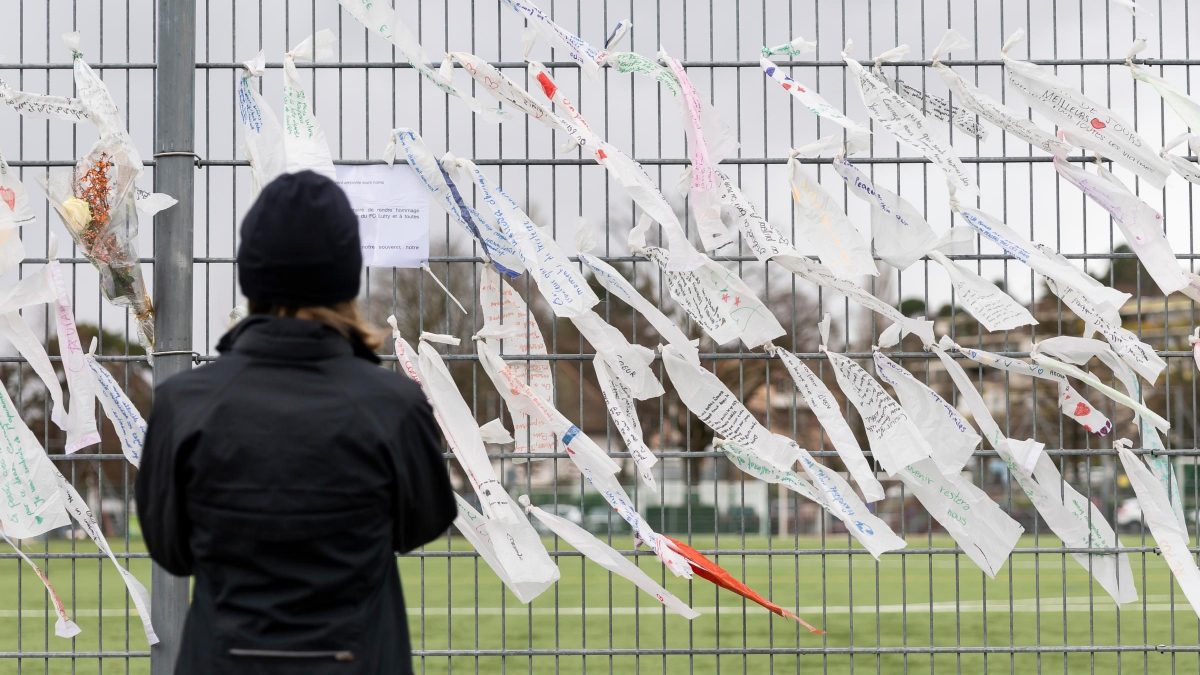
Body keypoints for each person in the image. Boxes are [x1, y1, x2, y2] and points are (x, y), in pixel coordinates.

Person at [136, 170, 457, 674]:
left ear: (252, 274)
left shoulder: (185, 404)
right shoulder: (393, 406)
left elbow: (171, 550)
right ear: (345, 275)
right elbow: (425, 521)